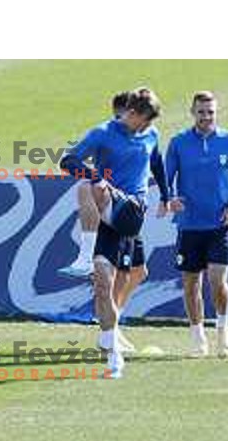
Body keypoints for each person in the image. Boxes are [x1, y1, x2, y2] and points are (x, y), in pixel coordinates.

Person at [60, 87, 169, 377]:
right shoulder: (103, 132)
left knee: (87, 187)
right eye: (144, 120)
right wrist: (97, 177)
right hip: (108, 218)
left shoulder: (151, 134)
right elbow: (67, 160)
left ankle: (83, 255)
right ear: (131, 114)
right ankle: (113, 356)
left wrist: (167, 195)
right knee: (102, 283)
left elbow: (156, 162)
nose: (147, 127)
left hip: (132, 209)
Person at [165, 91, 228, 358]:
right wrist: (170, 199)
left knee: (217, 281)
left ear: (217, 112)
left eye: (210, 112)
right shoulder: (178, 143)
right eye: (201, 112)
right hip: (189, 225)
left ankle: (223, 330)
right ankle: (198, 339)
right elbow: (166, 177)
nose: (206, 116)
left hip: (219, 225)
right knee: (191, 285)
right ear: (192, 112)